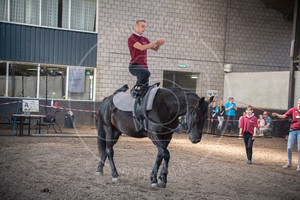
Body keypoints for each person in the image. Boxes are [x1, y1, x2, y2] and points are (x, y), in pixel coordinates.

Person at [128, 20, 165, 96]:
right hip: (134, 65)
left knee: (145, 90)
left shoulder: (145, 39)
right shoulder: (132, 38)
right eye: (142, 26)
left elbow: (155, 49)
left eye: (145, 27)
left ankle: (139, 102)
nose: (144, 28)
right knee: (146, 73)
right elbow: (142, 47)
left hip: (144, 67)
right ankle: (134, 90)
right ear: (136, 26)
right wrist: (156, 42)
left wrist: (159, 44)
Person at [272, 98, 300, 172]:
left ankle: (299, 165)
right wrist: (277, 114)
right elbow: (284, 116)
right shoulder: (293, 110)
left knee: (299, 148)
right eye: (299, 101)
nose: (299, 103)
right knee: (289, 148)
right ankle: (289, 162)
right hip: (292, 131)